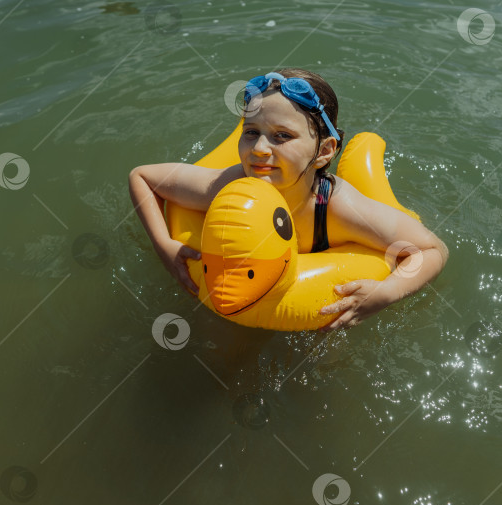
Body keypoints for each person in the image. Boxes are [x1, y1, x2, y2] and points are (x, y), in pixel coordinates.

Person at [128, 68, 448, 332]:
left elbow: (433, 250)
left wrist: (385, 293)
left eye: (282, 136)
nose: (259, 150)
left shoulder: (336, 207)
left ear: (323, 152)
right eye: (251, 132)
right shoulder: (229, 185)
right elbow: (142, 177)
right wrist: (164, 246)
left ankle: (364, 148)